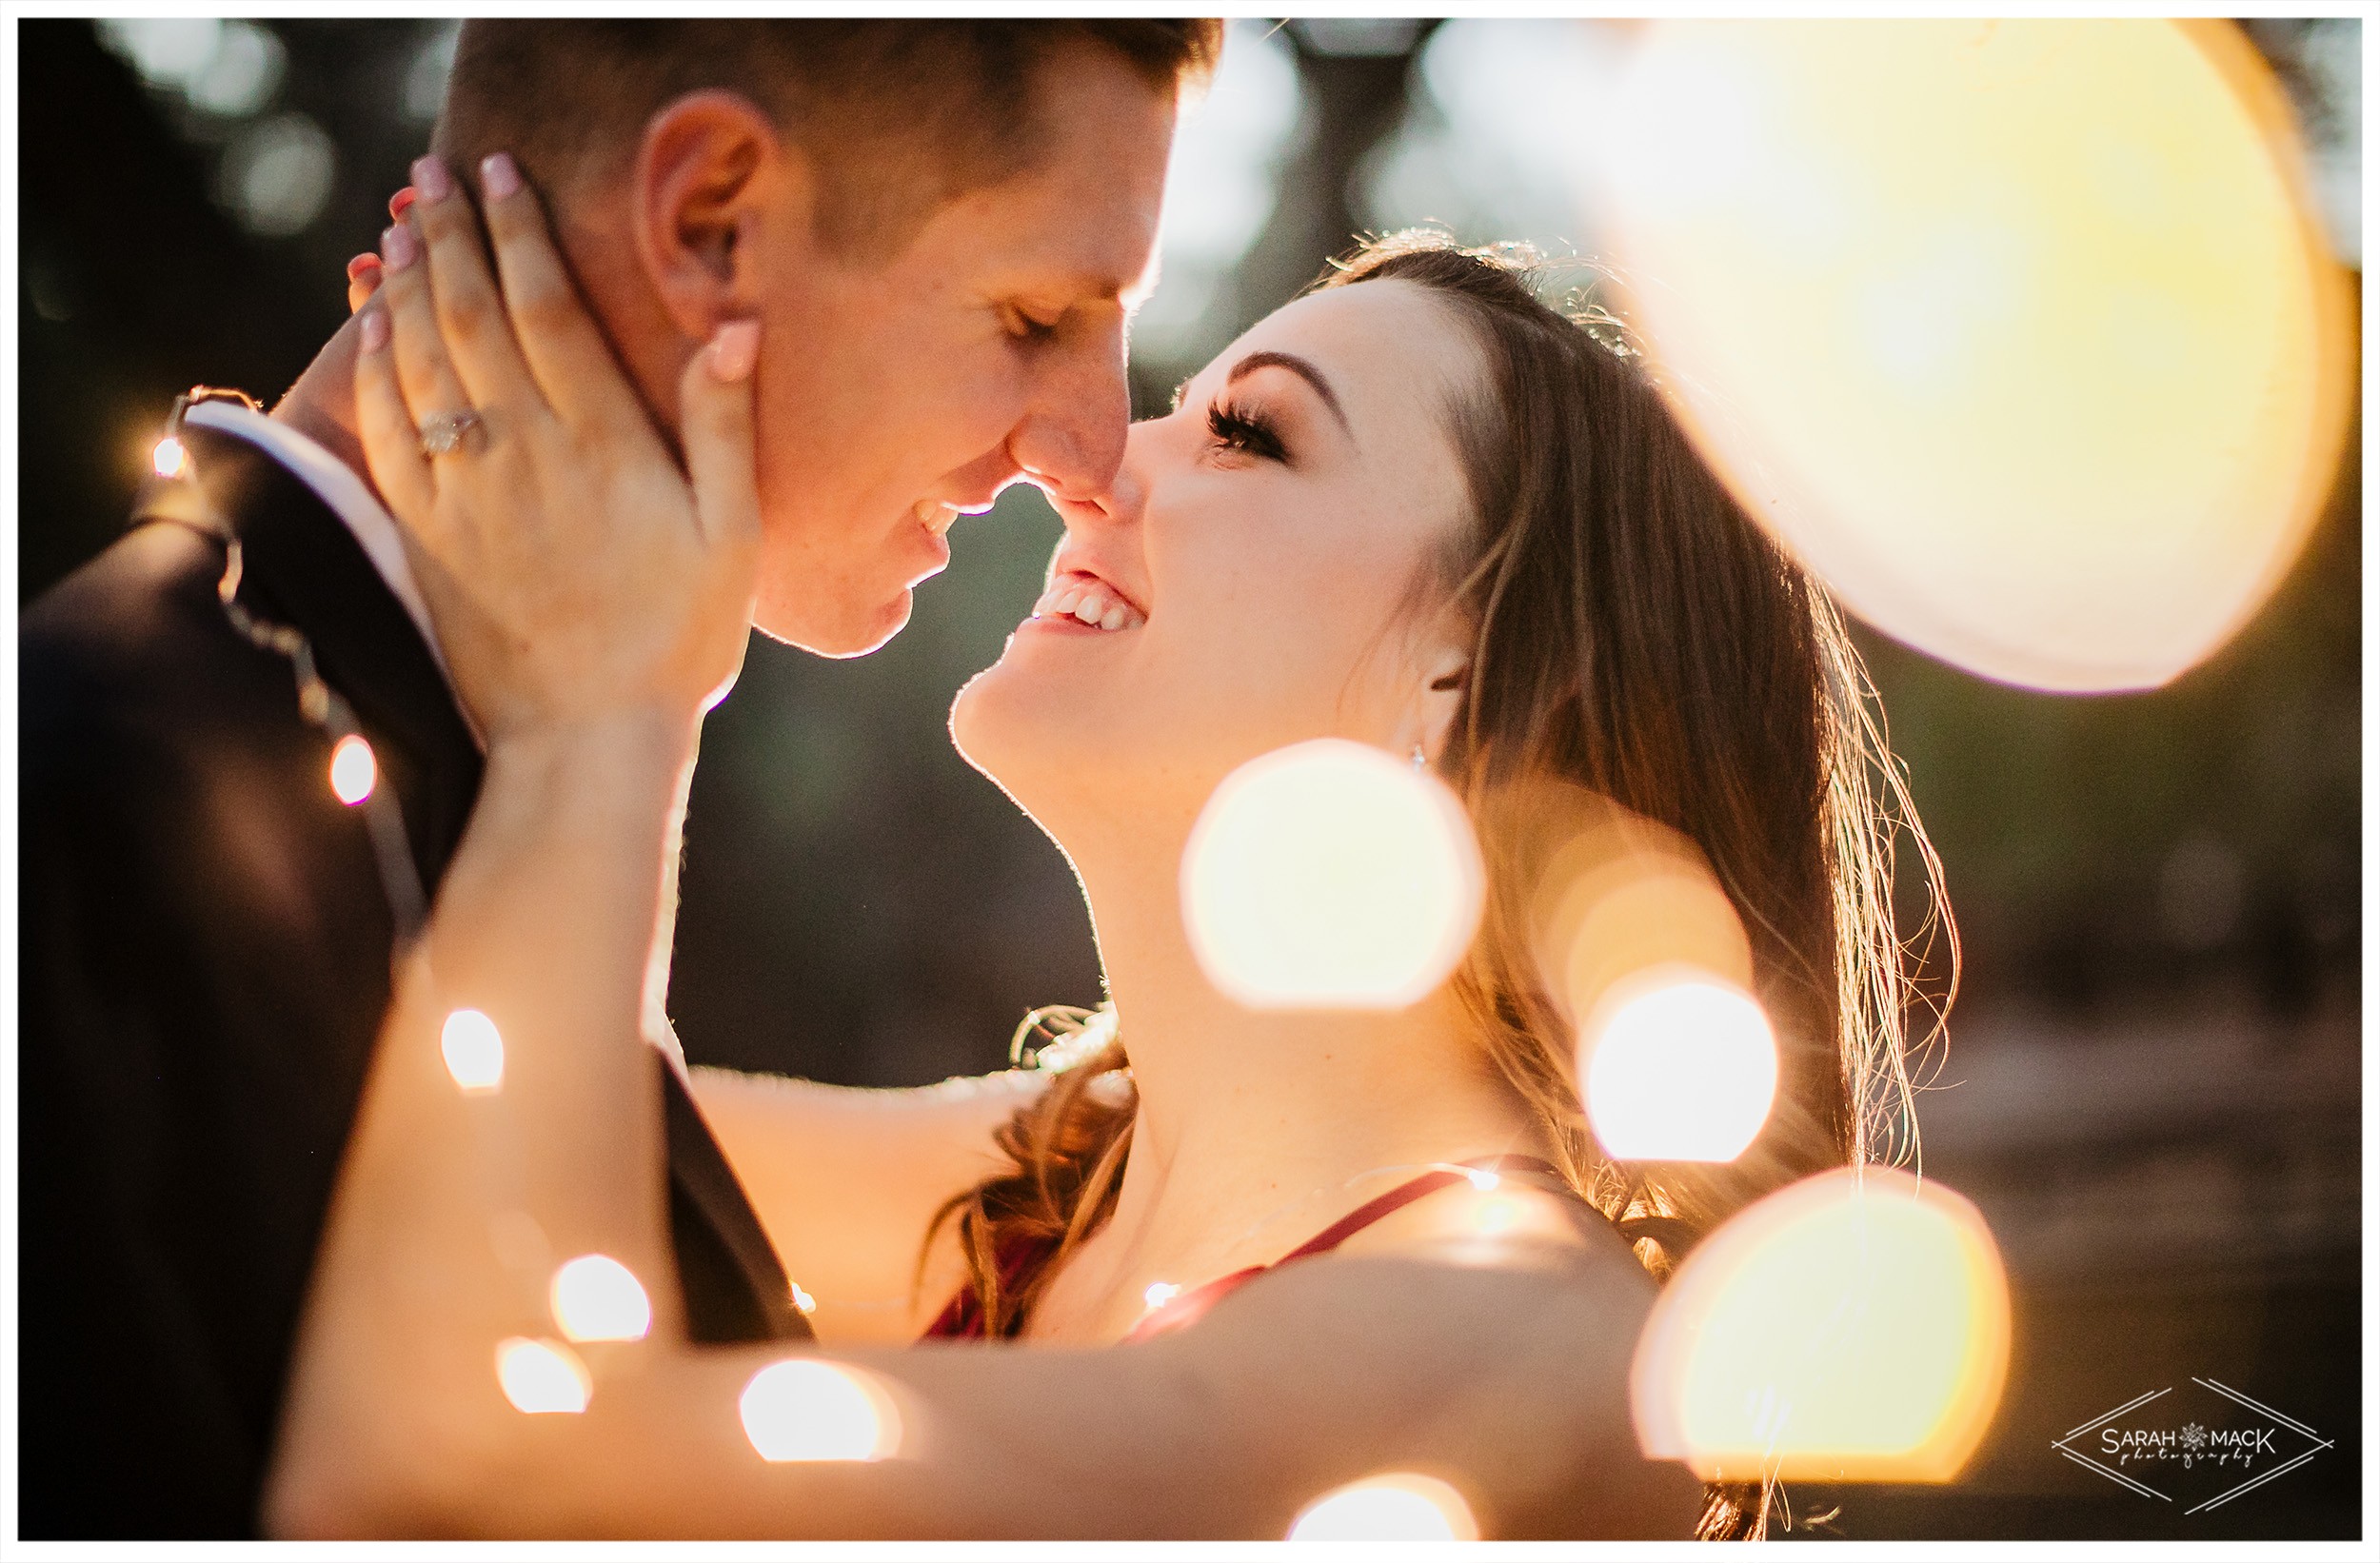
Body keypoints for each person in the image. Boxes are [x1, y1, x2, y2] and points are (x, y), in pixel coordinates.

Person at [264, 144, 1940, 1536]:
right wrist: (387, 444)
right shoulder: (1038, 1192)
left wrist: (615, 709)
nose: (1088, 462)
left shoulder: (1513, 1334)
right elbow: (385, 1130)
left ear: (1473, 684)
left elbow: (444, 1478)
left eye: (1247, 432)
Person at [17, 20, 1213, 1537]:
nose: (1095, 444)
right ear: (709, 214)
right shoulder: (97, 819)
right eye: (1036, 316)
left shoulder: (517, 790)